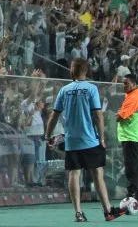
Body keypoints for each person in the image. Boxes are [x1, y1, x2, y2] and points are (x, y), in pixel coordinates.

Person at [45, 59, 126, 222]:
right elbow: (97, 114)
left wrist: (48, 135)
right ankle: (108, 211)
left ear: (72, 70)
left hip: (72, 140)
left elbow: (54, 115)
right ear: (86, 71)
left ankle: (78, 213)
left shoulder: (64, 90)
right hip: (90, 139)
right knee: (97, 173)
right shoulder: (91, 89)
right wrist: (102, 137)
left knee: (74, 174)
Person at [116, 73, 138, 210]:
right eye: (123, 83)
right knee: (137, 169)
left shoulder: (133, 97)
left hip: (131, 138)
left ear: (134, 83)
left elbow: (120, 116)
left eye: (126, 83)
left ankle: (131, 199)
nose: (124, 86)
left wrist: (118, 114)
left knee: (131, 169)